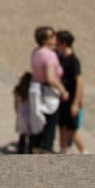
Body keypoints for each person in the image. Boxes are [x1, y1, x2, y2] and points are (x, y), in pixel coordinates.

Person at [29, 26, 65, 154]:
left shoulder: (36, 52)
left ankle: (36, 149)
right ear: (45, 40)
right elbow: (50, 78)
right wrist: (63, 90)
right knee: (49, 127)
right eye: (52, 36)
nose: (55, 38)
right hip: (48, 93)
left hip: (36, 91)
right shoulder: (49, 55)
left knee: (37, 126)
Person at [55, 30, 86, 154]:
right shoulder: (59, 56)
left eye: (57, 41)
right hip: (62, 99)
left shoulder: (73, 60)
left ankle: (84, 152)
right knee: (62, 127)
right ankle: (63, 151)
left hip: (71, 99)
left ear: (64, 43)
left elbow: (80, 81)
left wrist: (76, 103)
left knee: (71, 130)